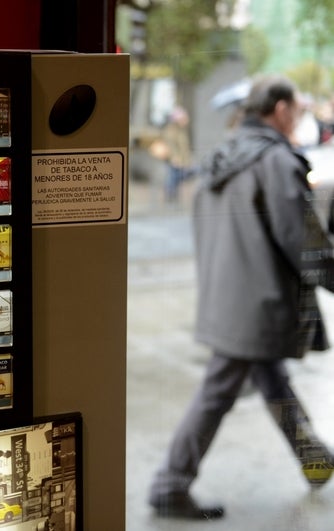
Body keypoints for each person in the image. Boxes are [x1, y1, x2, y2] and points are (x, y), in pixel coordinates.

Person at [148, 74, 334, 520]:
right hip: (260, 299)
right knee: (219, 390)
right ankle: (170, 483)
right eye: (299, 110)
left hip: (226, 295)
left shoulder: (220, 156)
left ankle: (315, 460)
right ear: (282, 109)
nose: (300, 119)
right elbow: (302, 239)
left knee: (271, 377)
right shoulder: (275, 161)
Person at [162, 105, 193, 204]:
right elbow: (171, 145)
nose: (185, 121)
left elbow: (184, 147)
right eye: (183, 119)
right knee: (173, 178)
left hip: (181, 160)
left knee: (176, 179)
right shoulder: (171, 130)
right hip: (175, 160)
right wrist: (175, 157)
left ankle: (173, 198)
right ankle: (170, 198)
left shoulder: (181, 131)